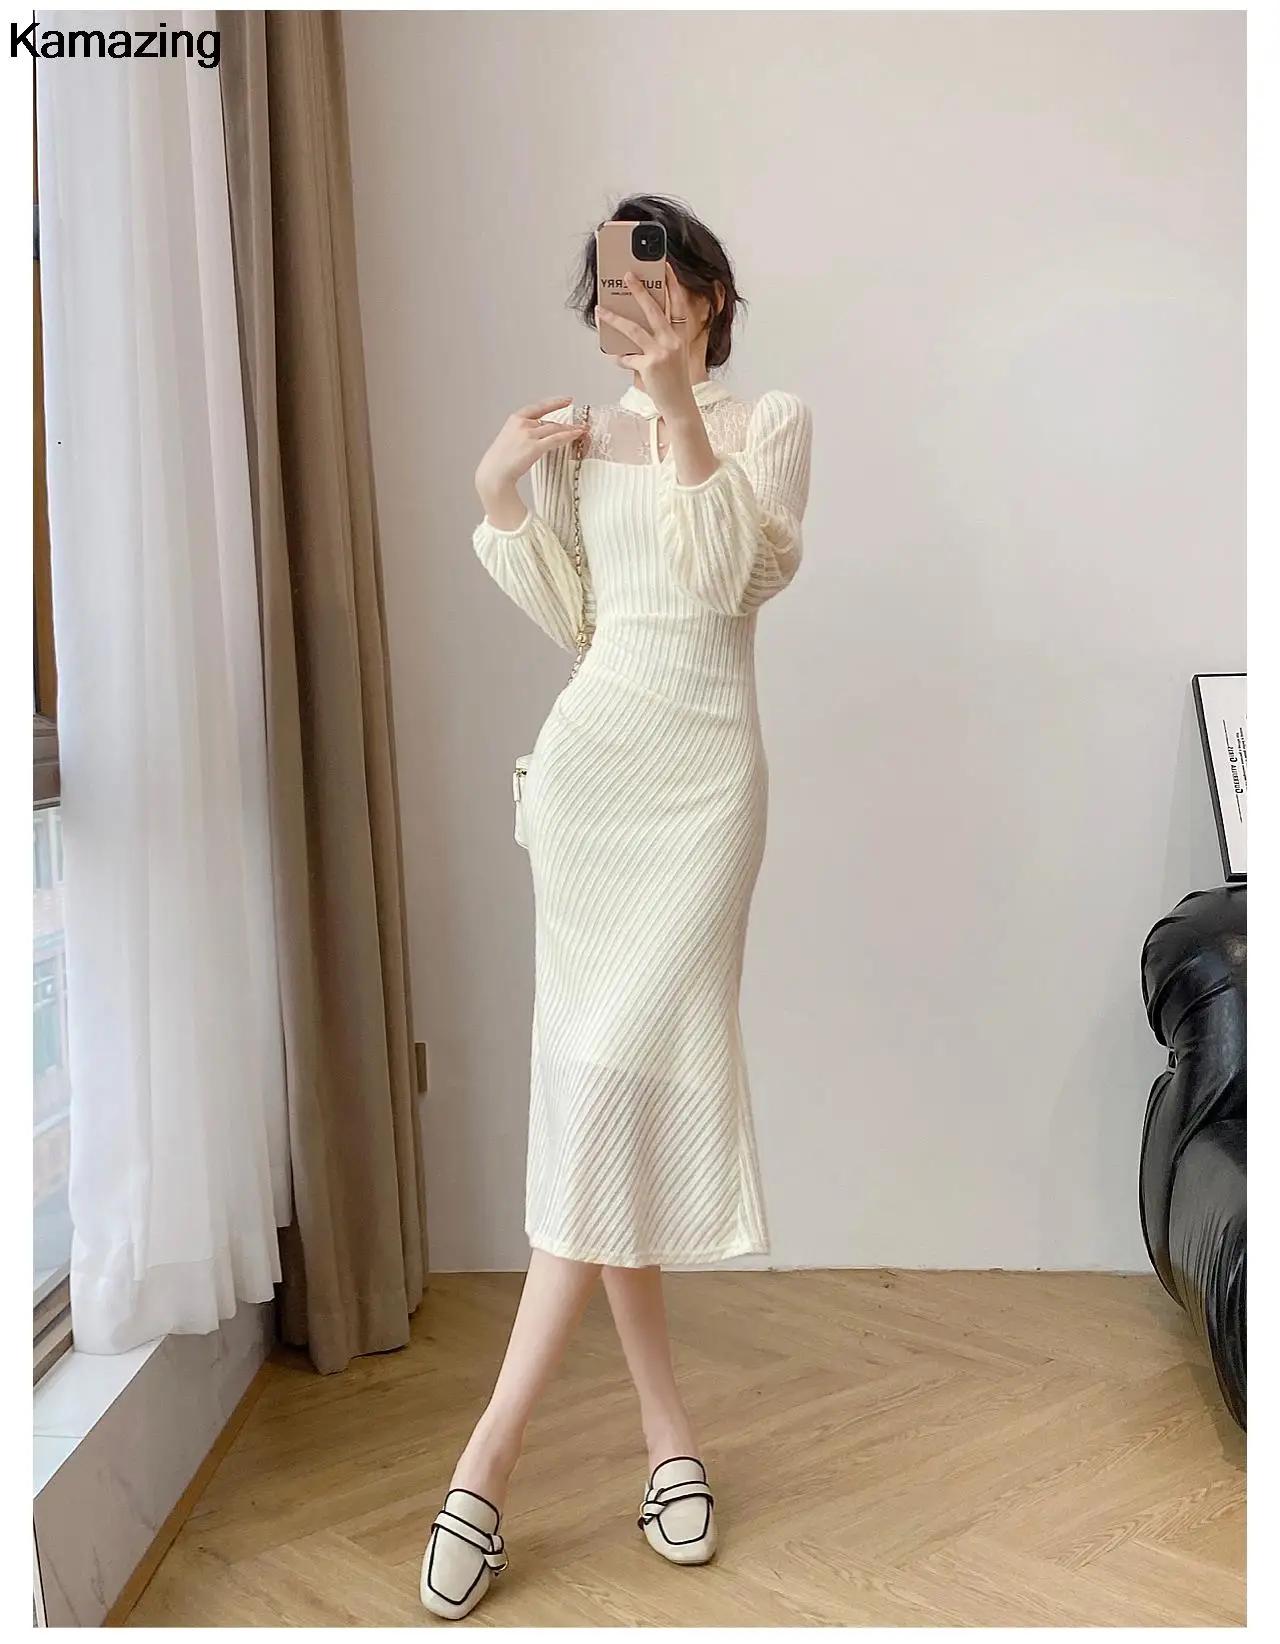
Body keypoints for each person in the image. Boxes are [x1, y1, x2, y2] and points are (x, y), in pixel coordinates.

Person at [420, 194, 814, 1621]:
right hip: (593, 784)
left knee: (612, 1097)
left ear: (708, 294)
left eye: (653, 282)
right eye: (607, 289)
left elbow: (727, 580)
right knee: (612, 1101)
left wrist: (678, 415)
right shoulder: (583, 444)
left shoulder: (768, 424)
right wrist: (500, 497)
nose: (629, 306)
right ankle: (666, 1439)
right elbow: (584, 625)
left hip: (703, 796)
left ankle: (487, 1457)